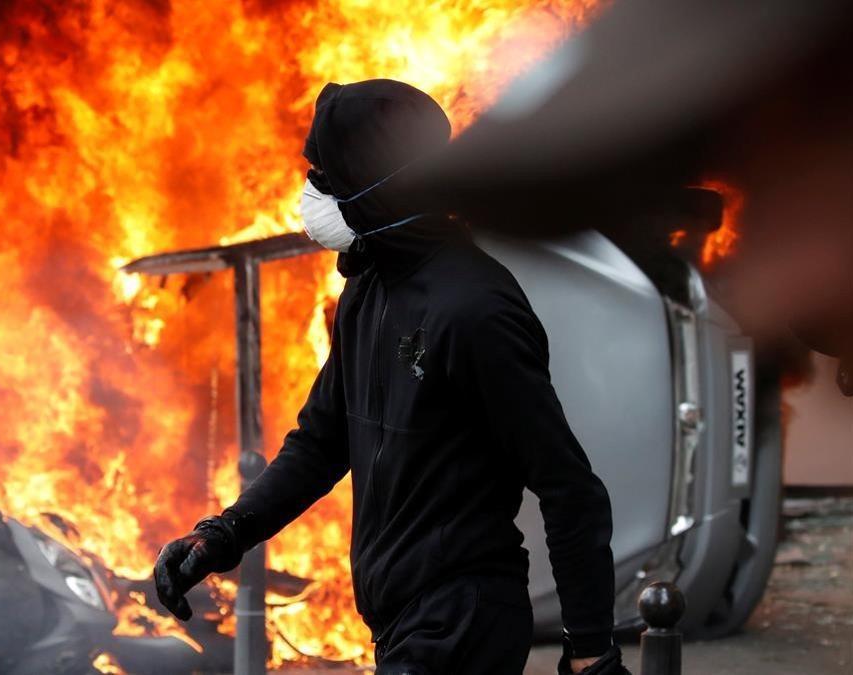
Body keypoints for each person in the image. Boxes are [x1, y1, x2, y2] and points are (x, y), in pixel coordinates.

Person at [153, 80, 629, 675]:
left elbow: (568, 485)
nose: (311, 192)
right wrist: (221, 536)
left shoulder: (473, 310)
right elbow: (320, 442)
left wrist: (590, 648)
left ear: (380, 186)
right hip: (400, 623)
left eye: (326, 177)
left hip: (461, 621)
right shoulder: (367, 286)